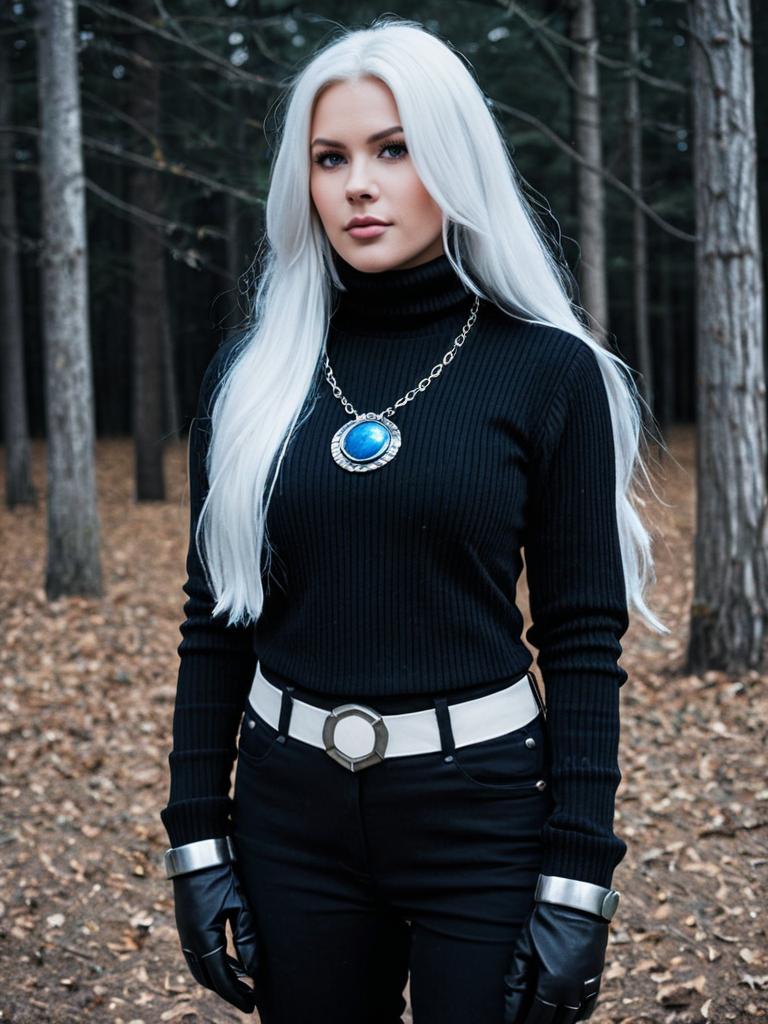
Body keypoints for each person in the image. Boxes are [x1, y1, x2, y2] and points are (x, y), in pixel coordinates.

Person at [159, 17, 667, 1024]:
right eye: (331, 157)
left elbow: (579, 637)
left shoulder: (546, 369)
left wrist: (578, 877)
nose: (359, 184)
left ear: (452, 159)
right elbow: (213, 620)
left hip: (480, 814)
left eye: (393, 150)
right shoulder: (254, 376)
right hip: (287, 813)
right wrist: (195, 837)